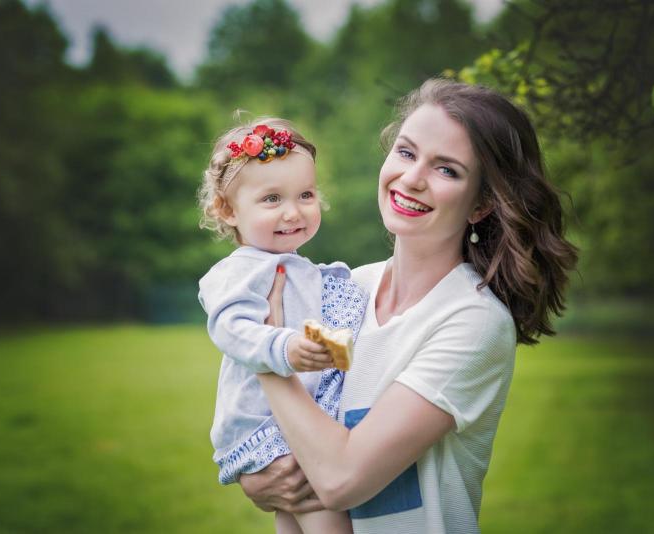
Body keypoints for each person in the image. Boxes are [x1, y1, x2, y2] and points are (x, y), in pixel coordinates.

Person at [238, 79, 579, 533]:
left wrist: (264, 351)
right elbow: (286, 446)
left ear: (480, 205)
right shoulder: (344, 291)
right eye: (405, 152)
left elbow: (339, 479)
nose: (412, 178)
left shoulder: (473, 320)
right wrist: (256, 478)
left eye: (447, 170)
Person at [196, 118, 366, 534]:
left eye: (305, 194)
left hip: (288, 420)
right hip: (266, 425)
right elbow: (232, 329)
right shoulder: (238, 270)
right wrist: (285, 346)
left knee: (292, 518)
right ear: (228, 210)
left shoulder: (295, 266)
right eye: (272, 199)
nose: (293, 212)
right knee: (326, 515)